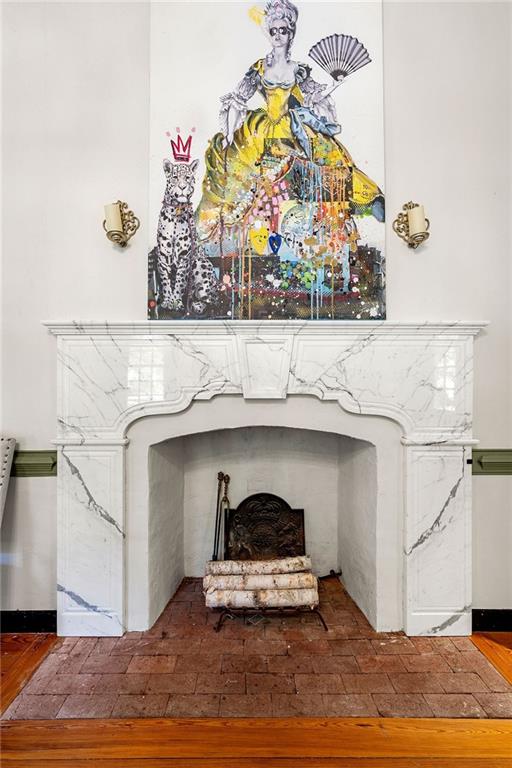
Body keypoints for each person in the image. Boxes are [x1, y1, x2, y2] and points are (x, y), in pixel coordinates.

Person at [195, 0, 384, 319]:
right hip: (264, 131)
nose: (280, 34)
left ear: (292, 32)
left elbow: (315, 98)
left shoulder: (299, 70)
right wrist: (228, 135)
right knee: (241, 180)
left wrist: (321, 101)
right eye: (275, 29)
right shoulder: (259, 67)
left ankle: (365, 196)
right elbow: (236, 99)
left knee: (331, 156)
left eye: (285, 29)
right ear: (269, 32)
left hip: (292, 128)